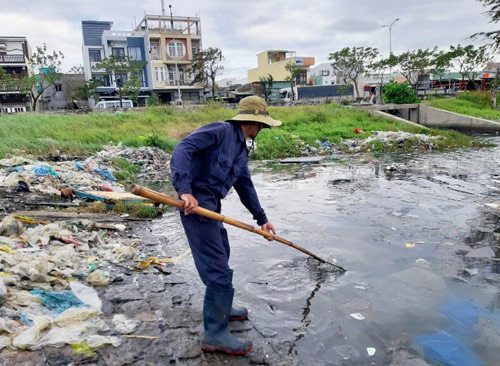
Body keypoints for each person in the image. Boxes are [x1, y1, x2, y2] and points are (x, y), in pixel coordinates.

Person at [170, 96, 282, 355]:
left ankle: (223, 307)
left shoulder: (241, 149)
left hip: (213, 205)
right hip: (196, 205)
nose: (262, 130)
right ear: (254, 122)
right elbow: (182, 149)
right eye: (262, 125)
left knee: (223, 249)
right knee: (216, 264)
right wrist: (184, 190)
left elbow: (245, 186)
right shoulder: (221, 131)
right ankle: (215, 334)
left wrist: (262, 219)